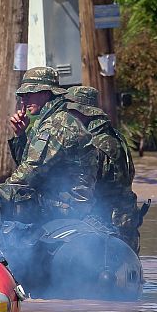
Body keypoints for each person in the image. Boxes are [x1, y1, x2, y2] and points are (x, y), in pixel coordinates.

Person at [0, 67, 99, 224]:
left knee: (5, 205)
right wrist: (21, 135)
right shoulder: (47, 120)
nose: (23, 100)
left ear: (46, 93)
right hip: (57, 201)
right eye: (22, 95)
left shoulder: (57, 124)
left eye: (29, 94)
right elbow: (28, 165)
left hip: (69, 207)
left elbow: (30, 172)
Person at [65, 85, 143, 252]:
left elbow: (84, 189)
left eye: (71, 112)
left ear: (83, 112)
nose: (68, 117)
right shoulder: (114, 136)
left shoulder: (95, 143)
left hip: (108, 228)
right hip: (125, 224)